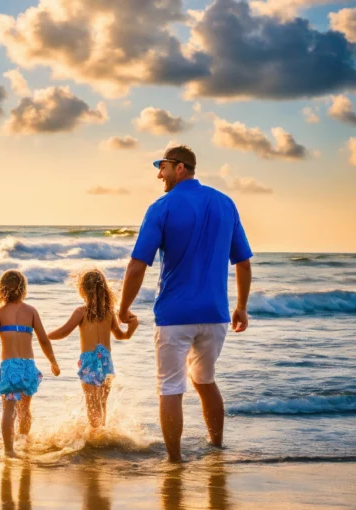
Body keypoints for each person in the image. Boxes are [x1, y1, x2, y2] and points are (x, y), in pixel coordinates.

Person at [118, 145, 253, 462]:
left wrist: (123, 308)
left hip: (174, 316)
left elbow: (138, 264)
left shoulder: (161, 207)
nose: (158, 174)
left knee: (170, 388)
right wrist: (241, 306)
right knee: (205, 381)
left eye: (162, 167)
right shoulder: (225, 203)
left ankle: (175, 461)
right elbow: (243, 263)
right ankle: (217, 448)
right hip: (215, 315)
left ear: (179, 168)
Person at [0, 270, 61, 457]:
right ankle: (23, 443)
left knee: (9, 410)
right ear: (23, 289)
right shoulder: (31, 311)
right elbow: (43, 340)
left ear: (2, 290)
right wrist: (53, 362)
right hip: (28, 366)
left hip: (10, 367)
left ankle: (9, 450)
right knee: (25, 409)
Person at [48, 269, 138, 428]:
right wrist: (132, 327)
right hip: (106, 361)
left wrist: (44, 336)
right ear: (104, 288)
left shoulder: (81, 312)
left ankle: (96, 436)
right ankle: (102, 431)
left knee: (92, 403)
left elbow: (63, 332)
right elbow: (121, 336)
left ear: (82, 289)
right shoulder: (108, 312)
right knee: (102, 403)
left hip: (90, 361)